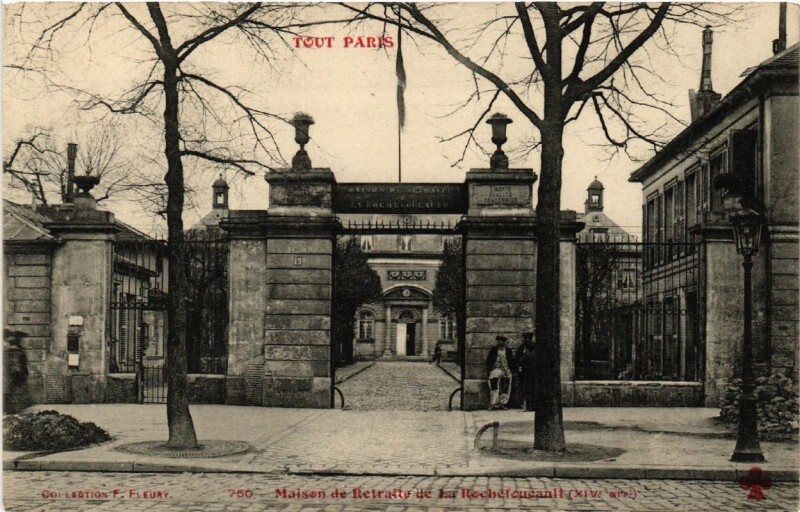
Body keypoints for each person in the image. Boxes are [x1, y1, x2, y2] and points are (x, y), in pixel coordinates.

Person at [486, 335, 514, 410]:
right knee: (493, 384)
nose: (500, 342)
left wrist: (511, 370)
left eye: (502, 341)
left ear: (504, 342)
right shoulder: (494, 350)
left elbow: (511, 361)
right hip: (496, 369)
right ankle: (493, 403)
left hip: (506, 369)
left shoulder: (508, 350)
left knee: (506, 385)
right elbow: (489, 360)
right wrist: (489, 370)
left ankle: (503, 403)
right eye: (499, 341)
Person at [516, 332, 536, 411]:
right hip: (524, 371)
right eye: (526, 339)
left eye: (529, 339)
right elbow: (517, 359)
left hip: (532, 371)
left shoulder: (534, 347)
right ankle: (524, 404)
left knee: (531, 388)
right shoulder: (521, 348)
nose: (527, 340)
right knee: (525, 388)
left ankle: (530, 405)